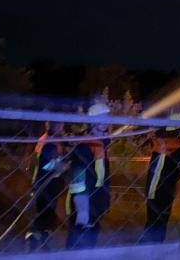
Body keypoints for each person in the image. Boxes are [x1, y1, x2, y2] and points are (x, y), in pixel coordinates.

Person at [140, 112, 180, 243]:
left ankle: (146, 249)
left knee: (152, 222)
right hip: (163, 189)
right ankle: (152, 249)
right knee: (159, 223)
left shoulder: (162, 143)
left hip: (155, 187)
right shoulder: (175, 145)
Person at [66, 102, 111, 249]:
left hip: (95, 204)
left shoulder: (101, 145)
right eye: (101, 119)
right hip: (84, 206)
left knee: (89, 244)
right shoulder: (85, 146)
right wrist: (83, 209)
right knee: (78, 245)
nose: (105, 123)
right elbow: (77, 178)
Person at [25, 120, 66, 252]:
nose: (62, 126)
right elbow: (47, 166)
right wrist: (63, 165)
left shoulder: (50, 141)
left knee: (43, 214)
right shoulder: (49, 143)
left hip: (45, 185)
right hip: (45, 185)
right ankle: (36, 242)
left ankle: (40, 239)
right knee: (42, 214)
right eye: (60, 124)